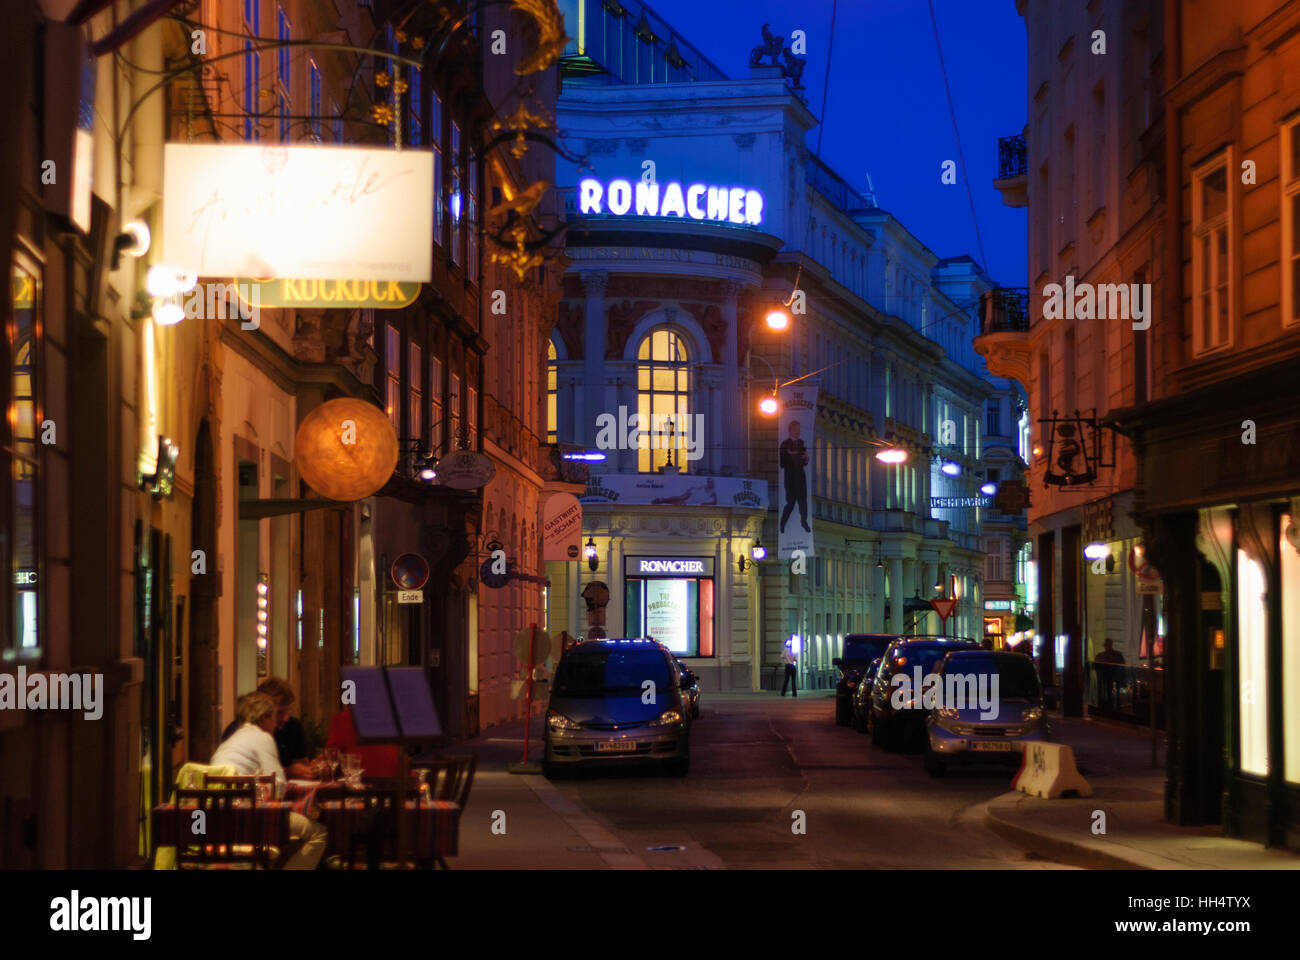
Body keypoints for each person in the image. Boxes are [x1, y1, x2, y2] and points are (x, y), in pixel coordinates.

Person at [209, 692, 327, 870]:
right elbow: (277, 786)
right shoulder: (262, 737)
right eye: (273, 716)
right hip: (247, 818)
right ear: (264, 718)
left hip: (217, 819)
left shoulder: (232, 740)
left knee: (285, 832)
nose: (277, 722)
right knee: (319, 833)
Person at [221, 677, 316, 779]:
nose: (286, 718)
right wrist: (288, 771)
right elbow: (272, 779)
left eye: (288, 711)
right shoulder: (238, 729)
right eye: (279, 712)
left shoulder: (293, 726)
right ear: (263, 712)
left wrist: (310, 769)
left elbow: (303, 767)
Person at [325, 707, 399, 779]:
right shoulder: (395, 718)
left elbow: (329, 759)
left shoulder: (343, 718)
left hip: (355, 786)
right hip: (395, 786)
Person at [779, 420, 811, 534]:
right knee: (790, 503)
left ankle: (804, 521)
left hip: (800, 477)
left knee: (803, 501)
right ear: (790, 431)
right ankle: (783, 523)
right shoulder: (784, 444)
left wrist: (806, 459)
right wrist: (791, 455)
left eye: (798, 430)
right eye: (795, 430)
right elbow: (782, 463)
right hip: (790, 477)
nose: (797, 432)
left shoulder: (801, 444)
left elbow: (803, 460)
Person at [1094, 637, 1125, 708]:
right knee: (1106, 693)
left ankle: (1108, 704)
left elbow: (1121, 667)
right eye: (1106, 645)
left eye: (1108, 645)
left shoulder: (1116, 655)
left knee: (1109, 693)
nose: (1107, 647)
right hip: (1105, 678)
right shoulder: (1101, 656)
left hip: (1112, 678)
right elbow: (1096, 667)